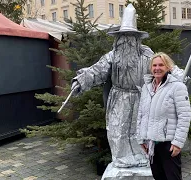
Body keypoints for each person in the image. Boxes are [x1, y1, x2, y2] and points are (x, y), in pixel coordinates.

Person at [70, 4, 152, 168]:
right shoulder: (112, 56)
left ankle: (141, 156)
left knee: (139, 128)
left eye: (130, 36)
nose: (126, 40)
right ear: (118, 39)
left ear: (136, 39)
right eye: (123, 36)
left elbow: (163, 67)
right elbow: (97, 70)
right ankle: (122, 158)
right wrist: (81, 79)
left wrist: (177, 77)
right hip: (119, 98)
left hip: (140, 97)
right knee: (118, 129)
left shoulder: (146, 54)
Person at [136, 52, 191, 180]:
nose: (157, 68)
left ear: (168, 67)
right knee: (158, 177)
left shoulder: (177, 87)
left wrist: (178, 143)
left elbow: (185, 116)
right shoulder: (147, 87)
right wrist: (141, 138)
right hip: (151, 144)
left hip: (169, 144)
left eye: (161, 65)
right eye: (154, 65)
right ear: (151, 68)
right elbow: (141, 114)